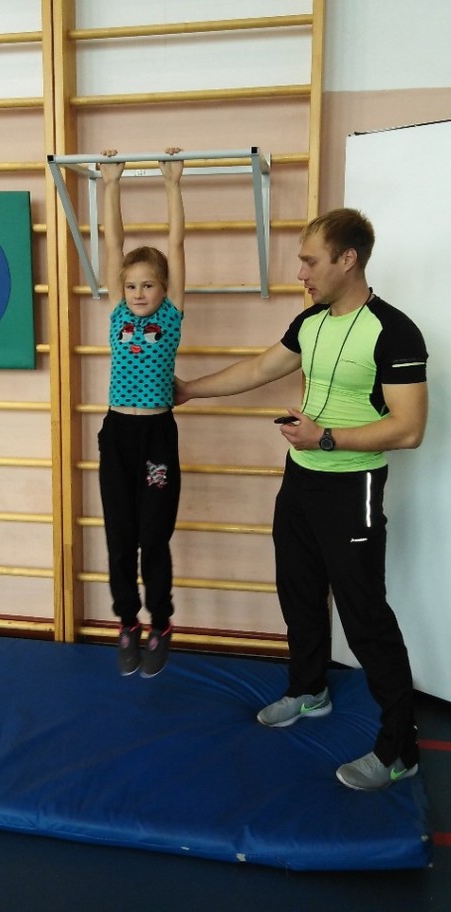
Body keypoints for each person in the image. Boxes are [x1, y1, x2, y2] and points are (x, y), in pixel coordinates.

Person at [175, 207, 428, 791]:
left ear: (348, 259)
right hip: (302, 478)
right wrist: (190, 390)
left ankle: (400, 749)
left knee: (364, 616)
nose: (301, 273)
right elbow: (262, 367)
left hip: (353, 485)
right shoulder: (311, 321)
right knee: (299, 591)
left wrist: (327, 437)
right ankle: (310, 690)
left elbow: (409, 427)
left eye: (310, 261)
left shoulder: (394, 330)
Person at [98, 147, 185, 679]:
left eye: (148, 284)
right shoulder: (116, 313)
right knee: (119, 536)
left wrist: (172, 183)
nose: (137, 292)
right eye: (131, 285)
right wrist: (111, 183)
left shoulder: (171, 317)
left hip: (156, 437)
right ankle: (128, 622)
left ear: (164, 289)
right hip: (117, 434)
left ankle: (162, 623)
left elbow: (176, 243)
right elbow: (114, 244)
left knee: (152, 536)